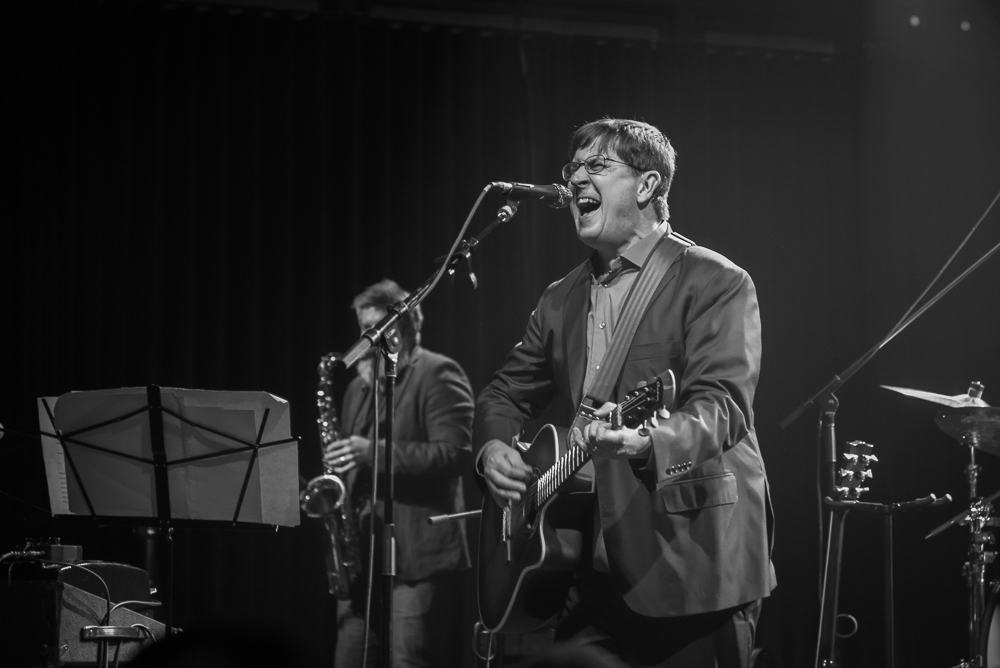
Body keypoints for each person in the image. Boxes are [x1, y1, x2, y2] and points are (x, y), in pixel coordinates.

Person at [474, 118, 775, 667]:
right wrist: (494, 448)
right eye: (572, 168)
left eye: (597, 166)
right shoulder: (560, 297)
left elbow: (724, 405)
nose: (575, 181)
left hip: (688, 560)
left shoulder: (714, 280)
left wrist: (647, 443)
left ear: (647, 185)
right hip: (585, 567)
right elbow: (503, 392)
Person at [325, 279, 474, 667]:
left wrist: (370, 452)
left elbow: (454, 454)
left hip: (417, 559)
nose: (365, 339)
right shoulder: (358, 389)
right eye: (362, 331)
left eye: (375, 330)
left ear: (402, 329)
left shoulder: (439, 373)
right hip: (363, 560)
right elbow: (351, 464)